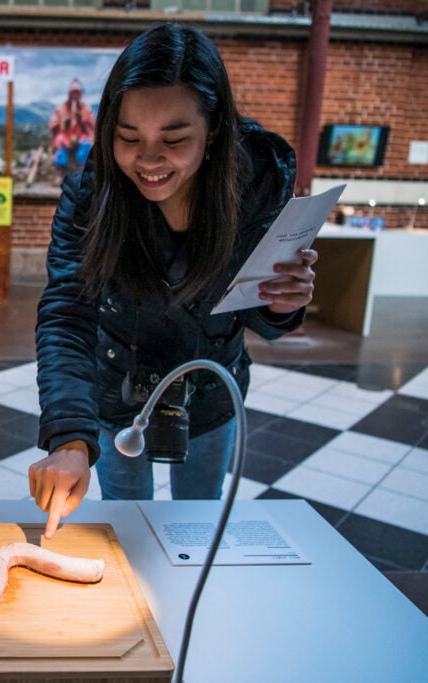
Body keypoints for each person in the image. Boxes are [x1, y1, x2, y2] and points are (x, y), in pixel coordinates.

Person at [28, 22, 317, 540]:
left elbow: (258, 316)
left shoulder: (258, 177)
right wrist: (69, 440)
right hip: (114, 389)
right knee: (126, 526)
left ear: (214, 132)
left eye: (175, 139)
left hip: (210, 388)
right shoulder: (94, 194)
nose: (148, 160)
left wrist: (281, 304)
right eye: (128, 137)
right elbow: (67, 315)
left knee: (197, 524)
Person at [48, 78, 95, 183]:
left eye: (77, 93)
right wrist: (63, 123)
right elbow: (52, 124)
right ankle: (60, 173)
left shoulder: (85, 108)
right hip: (65, 135)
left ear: (80, 94)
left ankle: (81, 172)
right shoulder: (61, 108)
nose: (75, 96)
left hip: (81, 135)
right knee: (60, 143)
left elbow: (92, 125)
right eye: (73, 93)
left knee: (86, 144)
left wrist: (82, 120)